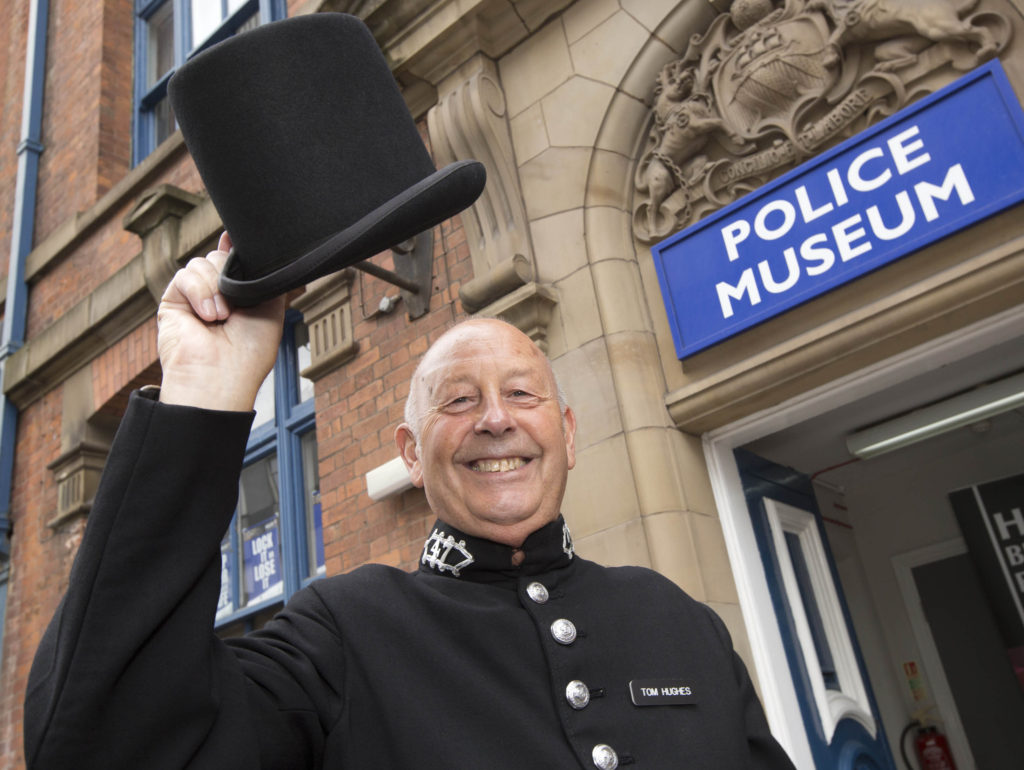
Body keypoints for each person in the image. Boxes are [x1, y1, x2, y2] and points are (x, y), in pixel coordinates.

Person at [25, 234, 796, 769]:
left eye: (522, 394)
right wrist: (202, 394)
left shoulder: (678, 619)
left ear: (565, 432)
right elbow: (103, 744)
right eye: (458, 400)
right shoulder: (342, 633)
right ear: (409, 455)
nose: (496, 418)